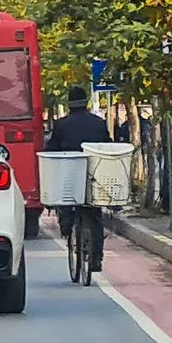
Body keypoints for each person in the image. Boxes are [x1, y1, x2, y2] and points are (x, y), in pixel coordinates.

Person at [46, 87, 113, 267]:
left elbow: (52, 149)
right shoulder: (99, 123)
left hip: (70, 175)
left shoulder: (61, 125)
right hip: (94, 174)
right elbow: (107, 145)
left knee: (66, 201)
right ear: (86, 103)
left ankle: (67, 226)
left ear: (70, 104)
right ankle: (96, 258)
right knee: (95, 215)